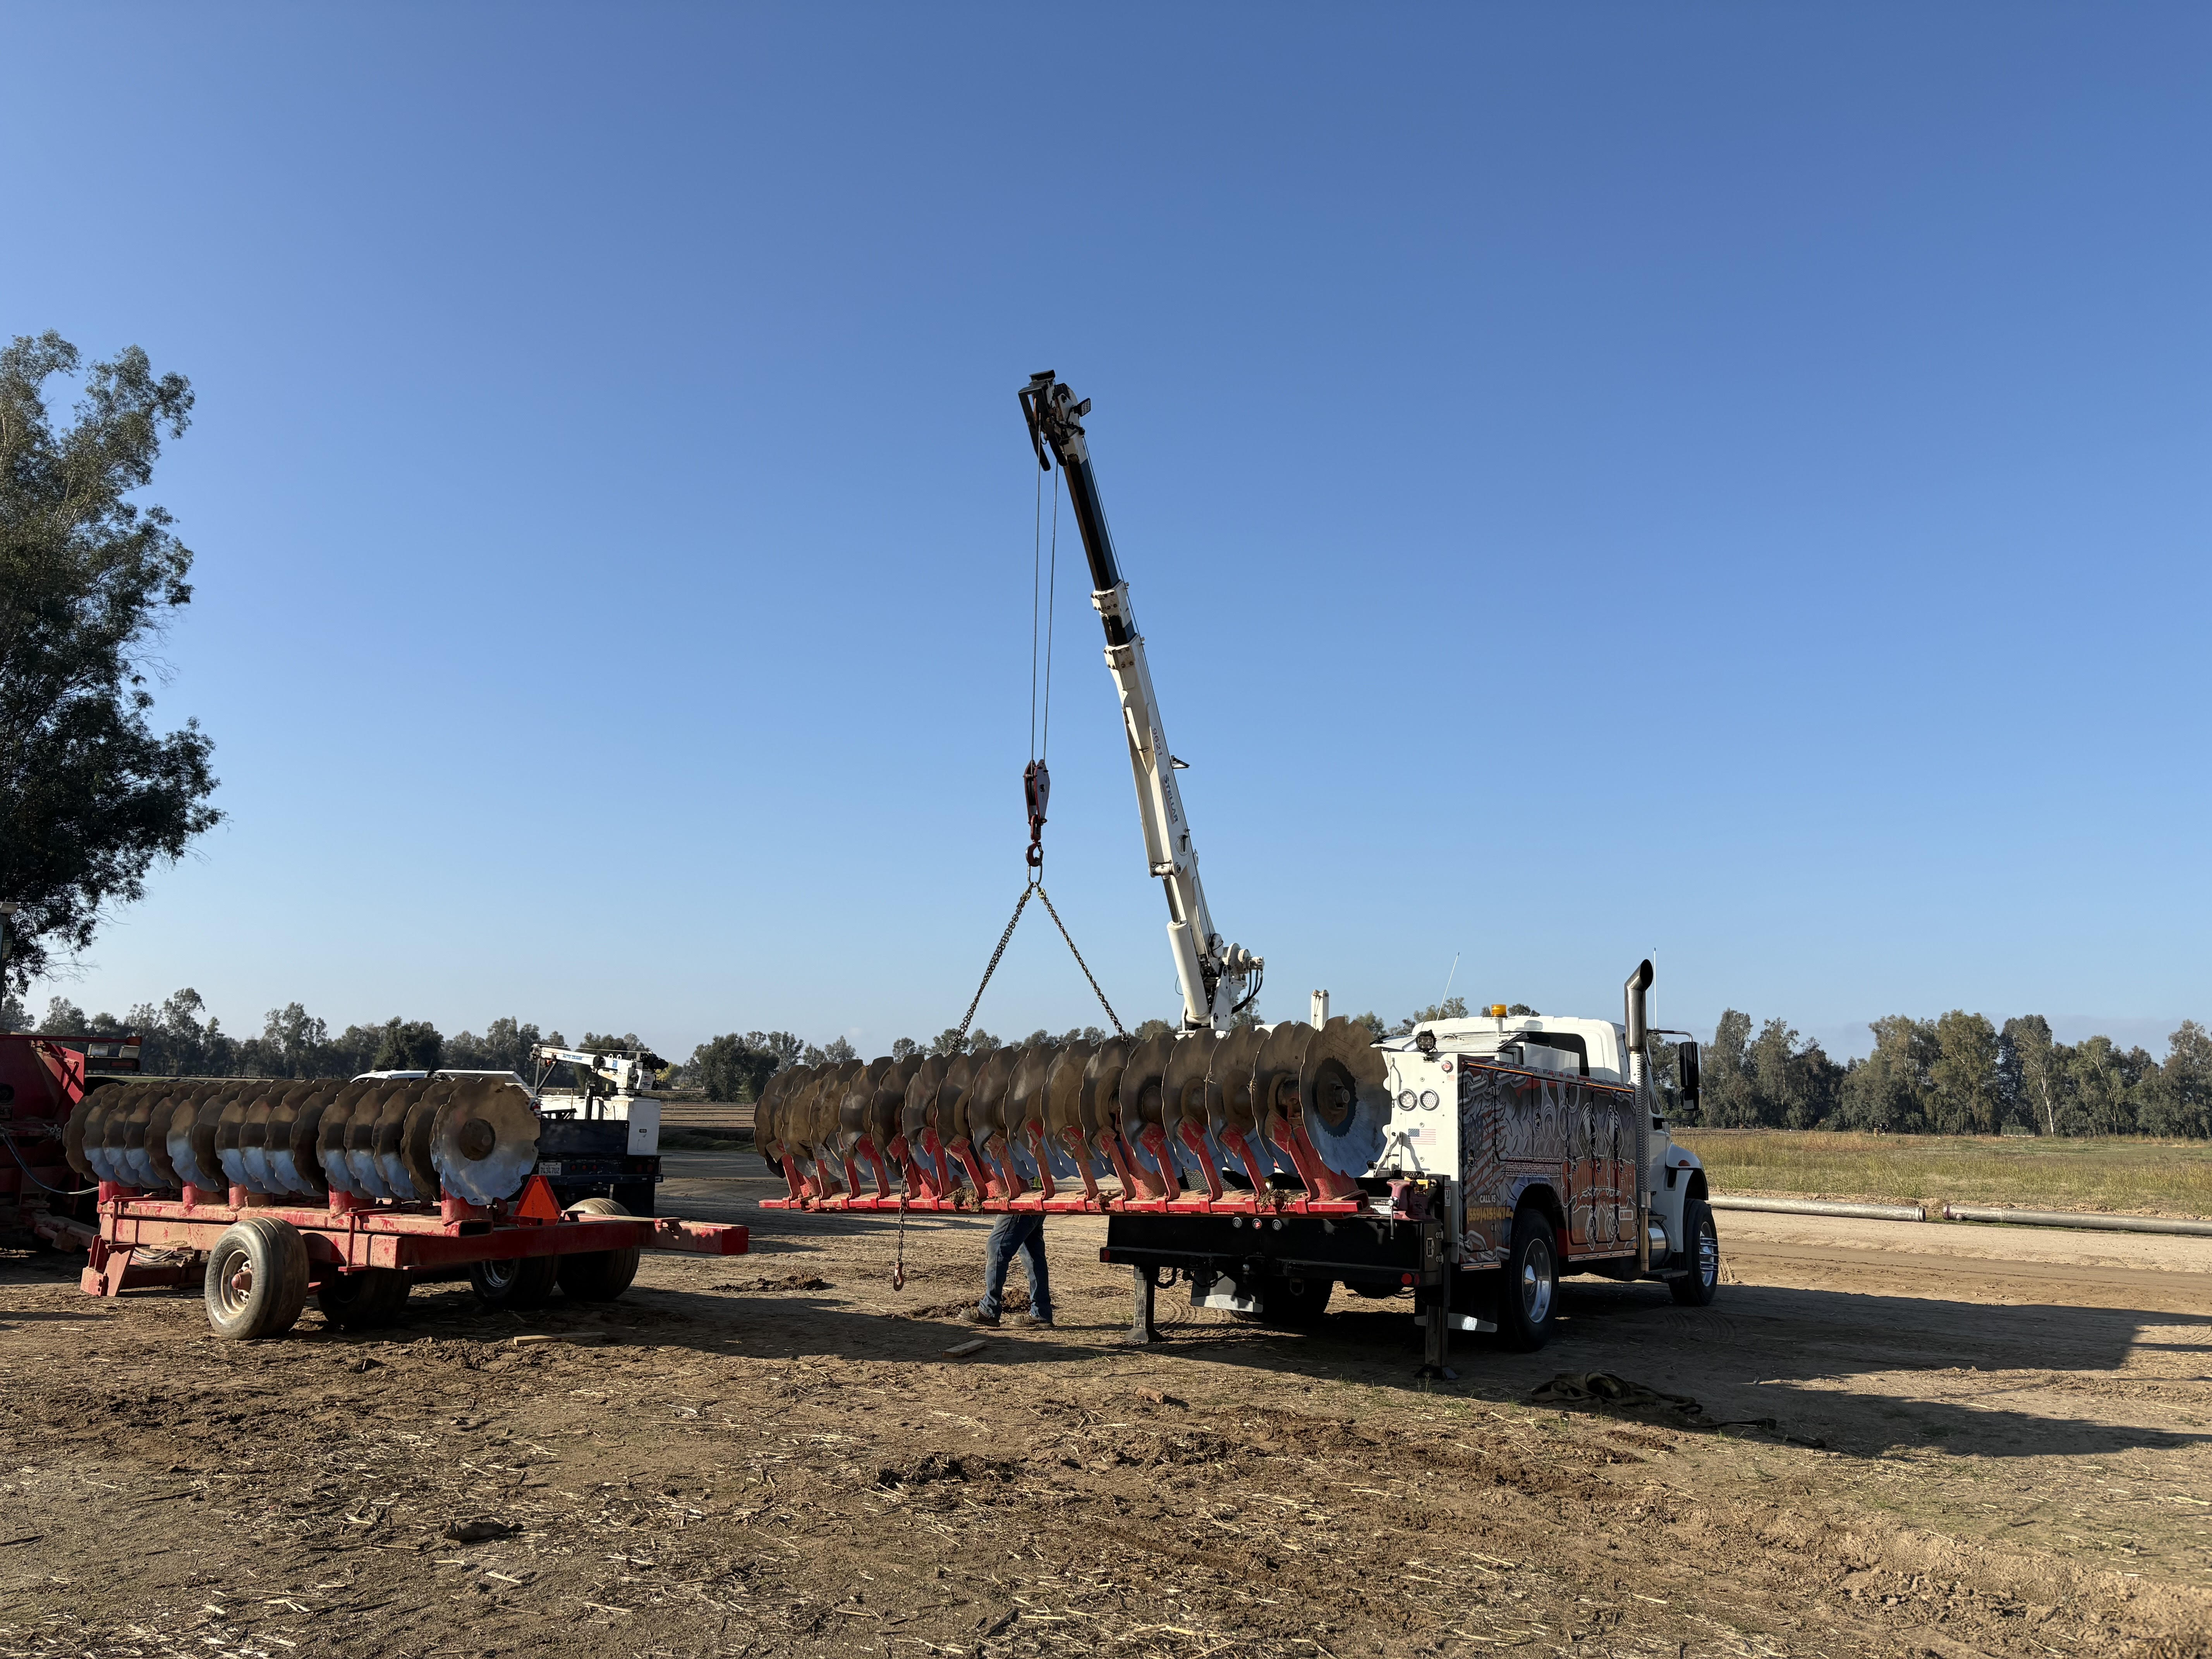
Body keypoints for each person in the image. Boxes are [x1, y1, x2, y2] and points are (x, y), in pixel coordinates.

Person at [965, 1211, 1053, 1327]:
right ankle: (1041, 1312)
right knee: (1032, 1253)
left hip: (1019, 1204)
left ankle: (989, 1309)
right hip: (1033, 1201)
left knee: (997, 1246)